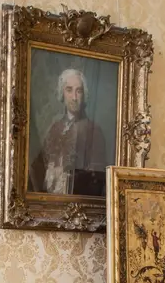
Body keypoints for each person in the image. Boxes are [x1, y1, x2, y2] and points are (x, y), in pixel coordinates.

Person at [28, 67, 108, 195]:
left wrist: (66, 177)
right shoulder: (55, 128)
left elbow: (96, 177)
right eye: (69, 90)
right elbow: (39, 165)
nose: (74, 97)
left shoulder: (94, 130)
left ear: (84, 95)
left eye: (79, 91)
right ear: (62, 93)